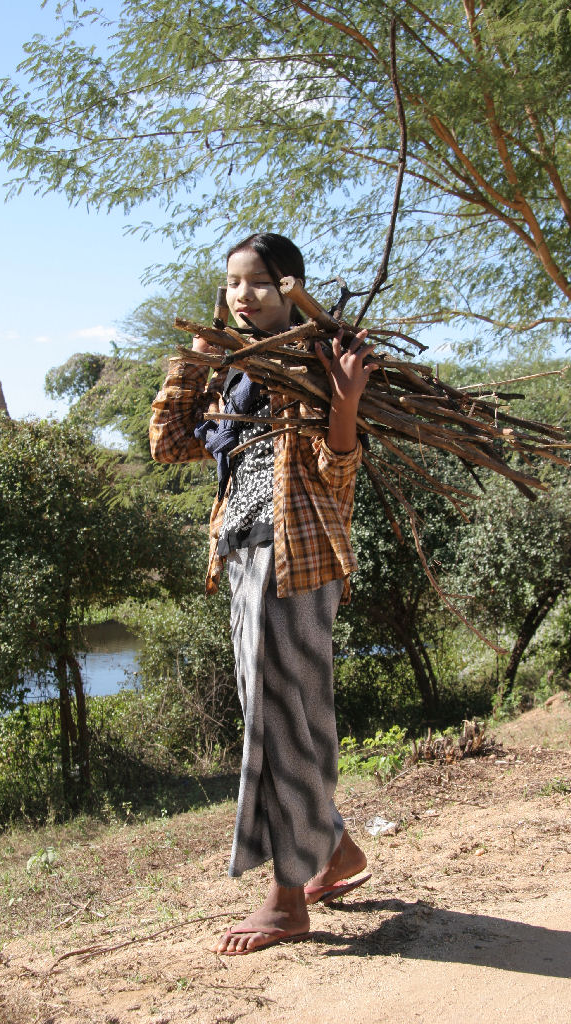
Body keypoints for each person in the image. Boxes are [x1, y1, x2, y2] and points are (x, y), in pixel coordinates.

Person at [149, 232, 376, 955]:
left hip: (295, 560)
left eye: (259, 283)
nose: (242, 294)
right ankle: (333, 852)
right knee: (275, 716)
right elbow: (169, 444)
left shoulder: (312, 362)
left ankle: (286, 897)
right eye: (232, 283)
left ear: (292, 289)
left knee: (277, 722)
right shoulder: (229, 376)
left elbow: (338, 472)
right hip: (241, 557)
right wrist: (192, 363)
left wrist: (343, 400)